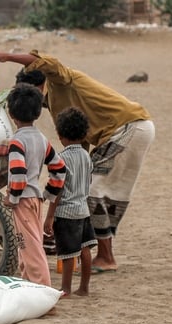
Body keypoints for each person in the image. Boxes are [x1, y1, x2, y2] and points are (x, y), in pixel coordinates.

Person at [0, 50, 155, 273]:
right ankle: (95, 252)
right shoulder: (53, 105)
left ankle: (106, 256)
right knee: (93, 190)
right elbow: (77, 146)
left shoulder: (60, 81)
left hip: (128, 127)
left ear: (40, 85)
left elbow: (47, 62)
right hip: (125, 131)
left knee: (93, 192)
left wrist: (6, 56)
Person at [3, 83, 66, 287]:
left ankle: (44, 294)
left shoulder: (16, 142)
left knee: (30, 248)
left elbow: (18, 174)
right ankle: (28, 287)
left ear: (11, 114)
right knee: (28, 244)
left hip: (22, 200)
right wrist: (48, 194)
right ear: (38, 113)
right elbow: (59, 168)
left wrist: (12, 198)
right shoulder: (41, 139)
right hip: (36, 197)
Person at [44, 107, 97, 297]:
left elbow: (57, 189)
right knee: (85, 249)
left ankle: (65, 288)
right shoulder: (86, 156)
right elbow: (89, 181)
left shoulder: (62, 159)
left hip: (66, 212)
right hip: (83, 210)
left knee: (67, 254)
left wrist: (49, 216)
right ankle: (84, 287)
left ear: (60, 134)